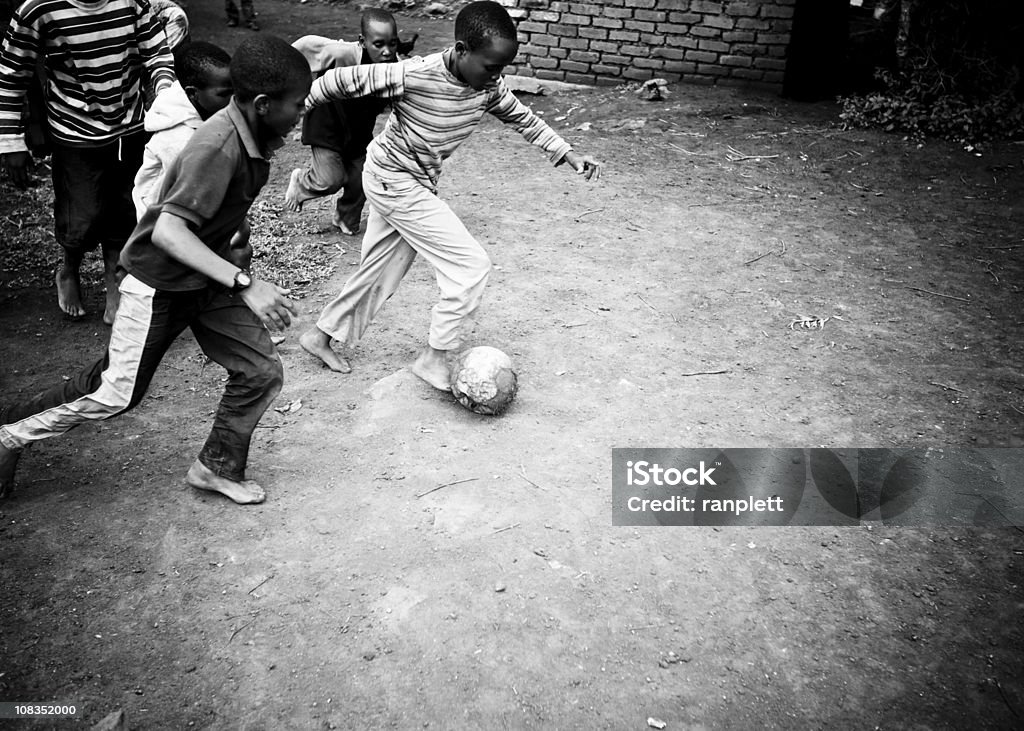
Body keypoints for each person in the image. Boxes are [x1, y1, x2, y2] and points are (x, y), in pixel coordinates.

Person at [0, 34, 312, 505]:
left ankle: (216, 466)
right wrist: (244, 282)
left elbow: (216, 211)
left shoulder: (251, 136)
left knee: (259, 370)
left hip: (204, 281)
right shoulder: (216, 145)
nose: (302, 112)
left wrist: (233, 248)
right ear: (264, 104)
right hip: (158, 286)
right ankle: (9, 432)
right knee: (115, 392)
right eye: (297, 104)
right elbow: (169, 233)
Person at [297, 0, 602, 385]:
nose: (497, 76)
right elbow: (338, 82)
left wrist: (568, 153)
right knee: (470, 266)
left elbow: (524, 119)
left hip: (412, 181)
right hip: (393, 180)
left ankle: (320, 335)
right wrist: (298, 109)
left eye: (503, 68)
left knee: (381, 269)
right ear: (460, 51)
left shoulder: (488, 88)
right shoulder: (414, 74)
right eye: (491, 66)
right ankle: (434, 357)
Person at [0, 0, 176, 324]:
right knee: (80, 217)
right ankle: (68, 267)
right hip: (72, 129)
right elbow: (12, 75)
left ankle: (114, 281)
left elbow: (158, 53)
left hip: (129, 125)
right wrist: (11, 140)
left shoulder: (133, 2)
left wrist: (165, 95)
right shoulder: (38, 9)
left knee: (125, 209)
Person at [284, 8, 406, 236]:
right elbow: (306, 46)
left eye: (393, 43)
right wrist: (282, 68)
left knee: (365, 176)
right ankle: (301, 183)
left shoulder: (395, 69)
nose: (387, 51)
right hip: (327, 123)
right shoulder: (342, 54)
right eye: (379, 44)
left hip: (358, 130)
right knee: (330, 179)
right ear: (363, 41)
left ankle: (345, 216)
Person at [132, 41, 233, 220]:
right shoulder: (178, 140)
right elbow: (194, 192)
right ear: (193, 93)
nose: (233, 100)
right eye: (224, 94)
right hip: (160, 222)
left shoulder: (200, 103)